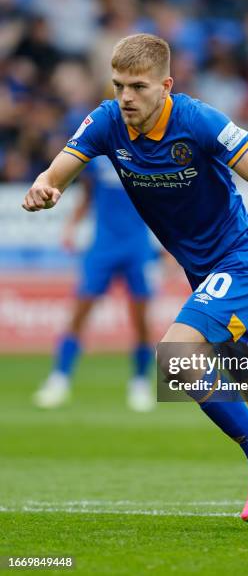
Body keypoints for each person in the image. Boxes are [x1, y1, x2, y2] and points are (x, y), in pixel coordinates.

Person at [22, 33, 248, 524]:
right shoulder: (107, 122)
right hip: (206, 274)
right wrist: (45, 187)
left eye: (138, 86)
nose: (126, 97)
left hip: (244, 260)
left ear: (166, 86)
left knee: (176, 355)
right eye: (118, 86)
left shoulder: (198, 120)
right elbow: (58, 172)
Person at [33, 153, 156, 412]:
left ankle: (140, 382)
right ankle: (59, 379)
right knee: (80, 313)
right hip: (103, 246)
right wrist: (72, 225)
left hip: (137, 245)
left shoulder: (148, 155)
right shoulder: (99, 157)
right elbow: (88, 196)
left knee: (142, 319)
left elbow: (163, 203)